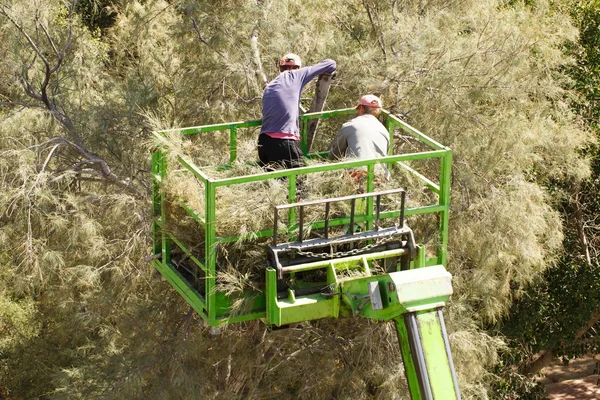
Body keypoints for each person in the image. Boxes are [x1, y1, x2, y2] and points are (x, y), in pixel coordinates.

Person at [258, 53, 336, 170]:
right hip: (283, 142)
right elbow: (331, 64)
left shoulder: (270, 86)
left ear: (280, 69)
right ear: (299, 68)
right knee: (300, 183)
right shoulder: (297, 74)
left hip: (263, 143)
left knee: (274, 182)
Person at [328, 95, 391, 190]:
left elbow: (335, 154)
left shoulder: (350, 125)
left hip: (357, 176)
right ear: (379, 111)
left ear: (361, 109)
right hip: (380, 177)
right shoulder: (384, 130)